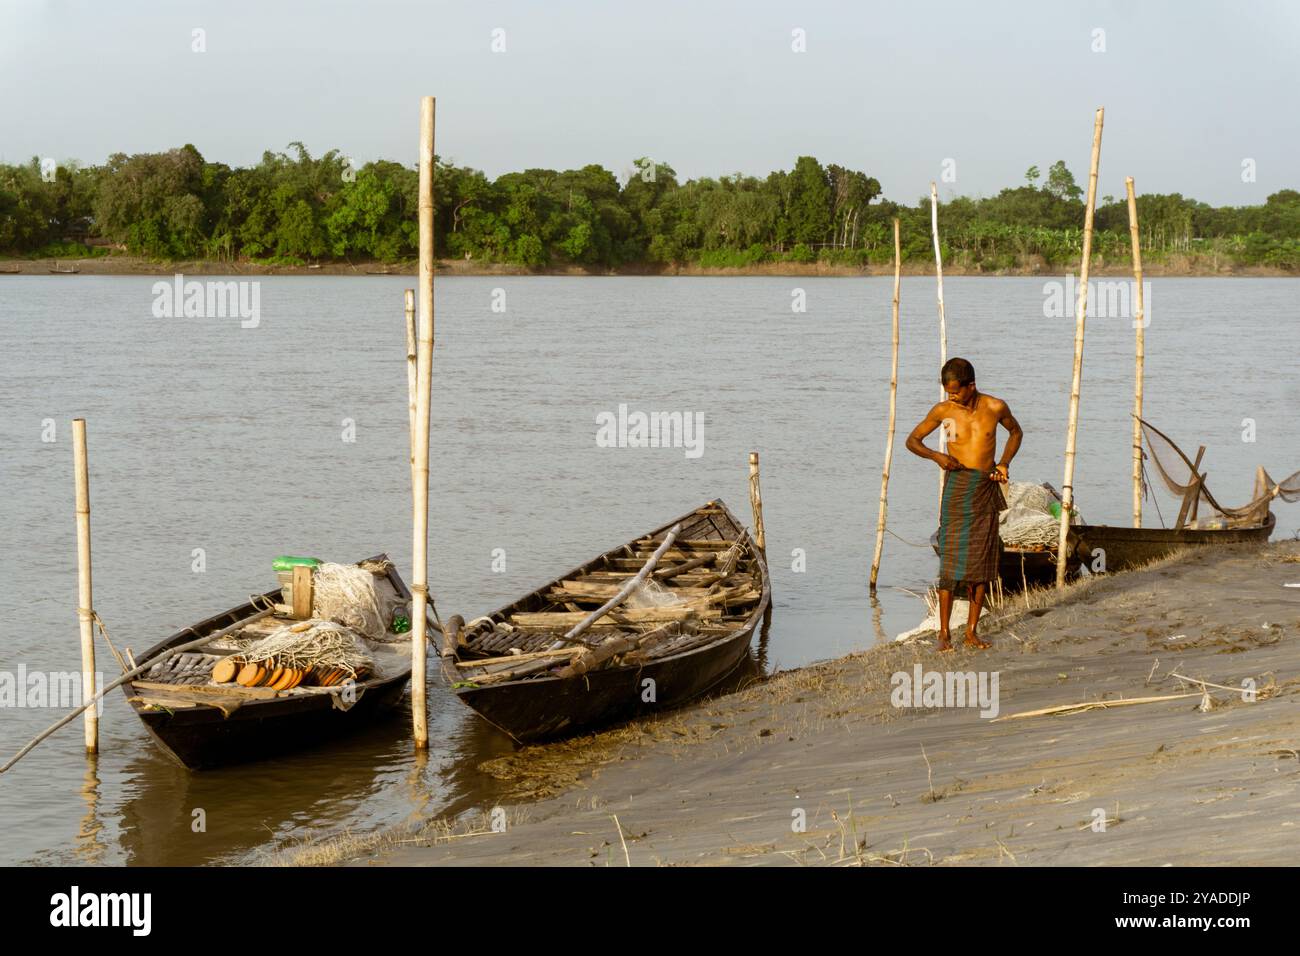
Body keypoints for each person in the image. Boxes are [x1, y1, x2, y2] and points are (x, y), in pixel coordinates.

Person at [905, 357, 1021, 651]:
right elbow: (913, 440)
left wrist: (1004, 463)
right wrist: (938, 456)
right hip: (957, 487)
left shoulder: (995, 407)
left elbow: (1016, 432)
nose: (951, 396)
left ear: (972, 386)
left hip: (984, 485)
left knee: (981, 561)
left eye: (956, 391)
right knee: (951, 560)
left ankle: (971, 632)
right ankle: (943, 635)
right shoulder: (944, 410)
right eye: (947, 391)